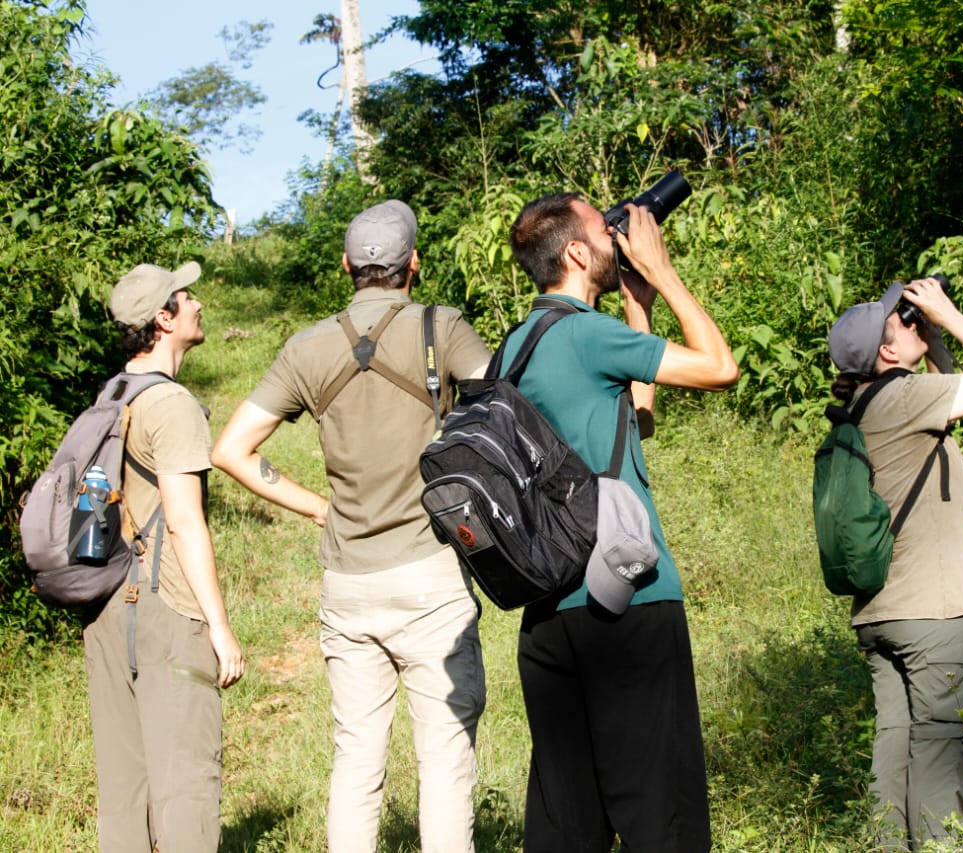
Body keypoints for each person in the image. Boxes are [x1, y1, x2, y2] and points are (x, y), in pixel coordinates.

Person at [211, 200, 491, 853]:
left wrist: (318, 507)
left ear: (346, 266)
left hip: (348, 583)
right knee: (444, 761)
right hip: (431, 575)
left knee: (357, 763)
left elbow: (230, 450)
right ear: (413, 264)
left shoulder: (306, 348)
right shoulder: (441, 327)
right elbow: (506, 409)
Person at [504, 191, 739, 852]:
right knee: (659, 812)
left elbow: (635, 422)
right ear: (577, 252)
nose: (617, 239)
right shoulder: (584, 331)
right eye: (602, 232)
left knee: (567, 823)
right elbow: (722, 367)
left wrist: (638, 306)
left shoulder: (520, 346)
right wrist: (663, 271)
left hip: (550, 613)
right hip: (628, 601)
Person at [826, 276, 963, 850]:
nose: (917, 323)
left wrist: (930, 333)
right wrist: (951, 314)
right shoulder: (906, 398)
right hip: (936, 616)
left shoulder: (869, 403)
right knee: (945, 770)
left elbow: (950, 395)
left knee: (896, 761)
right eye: (906, 322)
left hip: (882, 615)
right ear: (887, 352)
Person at [84, 261, 245, 852]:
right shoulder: (171, 405)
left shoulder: (111, 394)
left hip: (106, 607)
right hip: (164, 607)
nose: (197, 301)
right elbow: (183, 519)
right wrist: (220, 628)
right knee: (185, 787)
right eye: (185, 295)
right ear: (163, 318)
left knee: (125, 789)